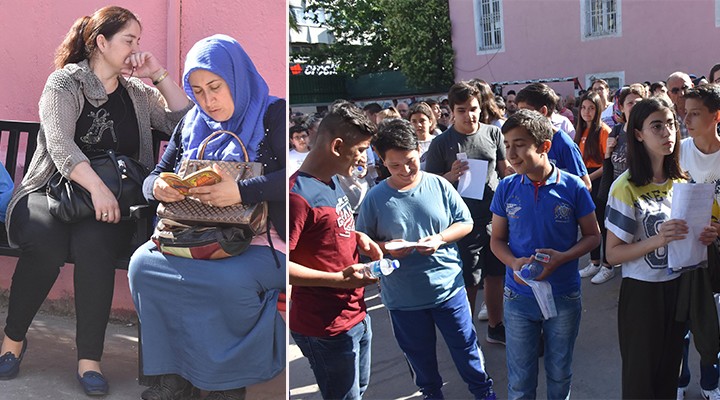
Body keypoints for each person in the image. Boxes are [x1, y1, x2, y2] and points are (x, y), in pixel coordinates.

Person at [0, 6, 191, 396]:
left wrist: (158, 73)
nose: (136, 48)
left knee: (95, 246)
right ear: (101, 43)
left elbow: (182, 124)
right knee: (46, 244)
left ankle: (89, 359)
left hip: (107, 207)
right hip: (49, 192)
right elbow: (59, 143)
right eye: (129, 40)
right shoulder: (64, 84)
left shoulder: (137, 92)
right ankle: (12, 341)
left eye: (138, 41)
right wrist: (98, 188)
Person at [127, 34, 286, 400]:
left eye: (215, 87)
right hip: (197, 235)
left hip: (265, 242)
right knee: (143, 266)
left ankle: (223, 385)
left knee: (226, 282)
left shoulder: (273, 114)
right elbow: (153, 176)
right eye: (197, 91)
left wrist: (242, 190)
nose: (207, 100)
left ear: (237, 78)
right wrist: (159, 188)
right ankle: (173, 378)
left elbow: (291, 182)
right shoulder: (192, 124)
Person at [356, 118, 497, 400]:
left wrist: (440, 239)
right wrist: (385, 247)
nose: (405, 170)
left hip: (449, 290)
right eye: (394, 166)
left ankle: (485, 394)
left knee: (468, 351)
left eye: (410, 161)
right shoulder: (375, 198)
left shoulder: (439, 185)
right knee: (421, 364)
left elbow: (465, 223)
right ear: (382, 162)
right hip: (404, 299)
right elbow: (362, 245)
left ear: (418, 151)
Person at [605, 97, 718, 399]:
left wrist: (705, 236)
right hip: (642, 294)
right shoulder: (625, 186)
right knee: (641, 382)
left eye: (670, 124)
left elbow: (691, 238)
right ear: (638, 133)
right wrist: (658, 239)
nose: (668, 132)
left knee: (670, 377)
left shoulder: (683, 180)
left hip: (680, 288)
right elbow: (612, 254)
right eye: (657, 126)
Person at [489, 109, 600, 400]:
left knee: (560, 372)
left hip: (564, 295)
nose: (511, 153)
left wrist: (563, 258)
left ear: (545, 146)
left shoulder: (573, 187)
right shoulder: (506, 187)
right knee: (520, 379)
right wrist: (513, 262)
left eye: (520, 143)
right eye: (507, 144)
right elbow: (497, 240)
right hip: (518, 299)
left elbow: (593, 236)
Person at [289, 102, 382, 400]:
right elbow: (279, 265)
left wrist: (357, 237)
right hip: (325, 327)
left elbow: (325, 229)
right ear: (338, 146)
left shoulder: (331, 181)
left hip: (356, 315)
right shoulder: (296, 196)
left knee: (359, 391)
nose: (363, 158)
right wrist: (340, 281)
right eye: (361, 149)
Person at [425, 81, 510, 346]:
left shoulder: (493, 134)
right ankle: (466, 332)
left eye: (473, 108)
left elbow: (504, 168)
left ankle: (496, 326)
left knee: (496, 276)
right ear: (451, 111)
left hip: (495, 218)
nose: (469, 115)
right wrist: (450, 175)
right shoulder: (441, 143)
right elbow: (429, 184)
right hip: (462, 222)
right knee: (469, 280)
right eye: (462, 110)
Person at [676, 84, 720, 400]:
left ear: (715, 116)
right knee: (680, 320)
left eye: (695, 113)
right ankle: (679, 379)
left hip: (715, 253)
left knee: (712, 320)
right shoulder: (678, 151)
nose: (686, 119)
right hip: (682, 249)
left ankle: (710, 381)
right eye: (685, 112)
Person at [515, 83, 592, 190]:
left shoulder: (564, 143)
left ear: (543, 111)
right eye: (519, 111)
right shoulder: (526, 141)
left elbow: (585, 186)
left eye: (524, 111)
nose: (520, 116)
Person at [573, 92, 613, 283]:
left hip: (598, 181)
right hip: (584, 180)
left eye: (591, 108)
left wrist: (588, 178)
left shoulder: (603, 130)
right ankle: (594, 261)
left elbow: (607, 164)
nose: (587, 112)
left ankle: (607, 264)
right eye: (583, 107)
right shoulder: (580, 131)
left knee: (602, 224)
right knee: (589, 224)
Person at [407, 102, 437, 169]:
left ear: (430, 122)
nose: (418, 125)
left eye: (422, 121)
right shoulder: (407, 144)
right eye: (414, 121)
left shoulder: (438, 141)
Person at [667, 71, 695, 139]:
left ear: (692, 87)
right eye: (675, 91)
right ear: (669, 95)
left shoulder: (704, 112)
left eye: (685, 88)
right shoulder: (667, 117)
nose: (681, 94)